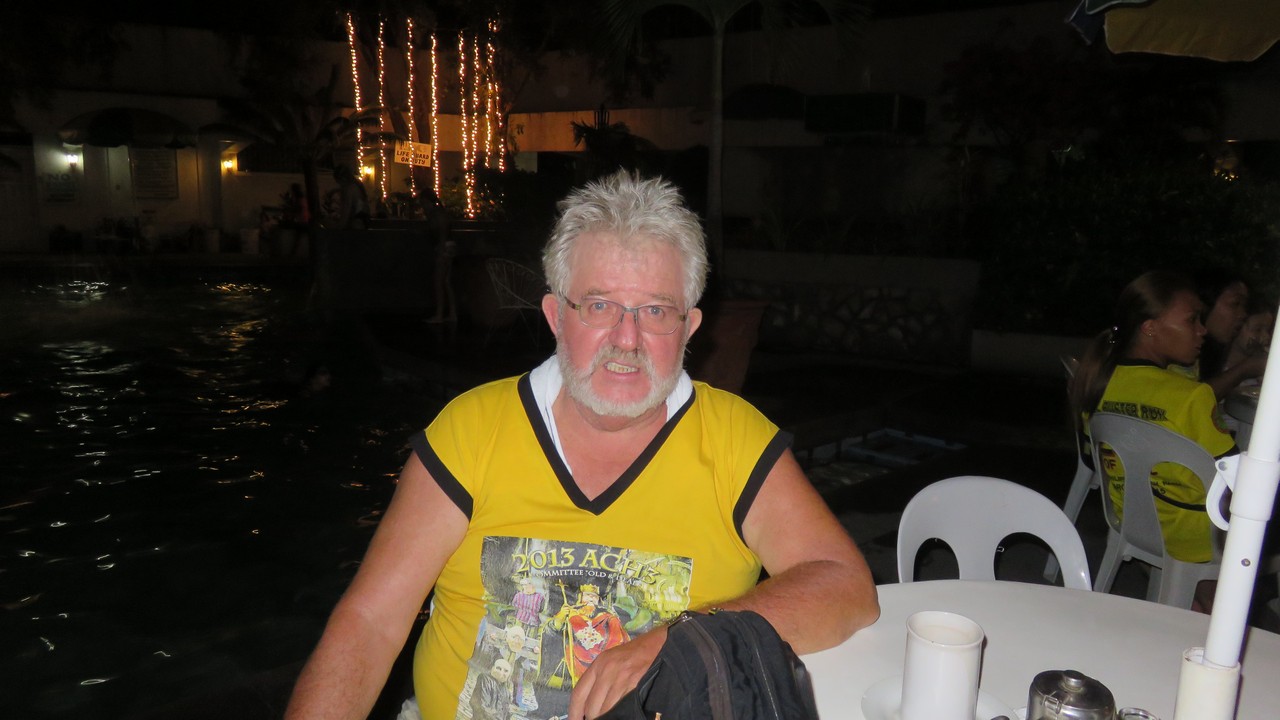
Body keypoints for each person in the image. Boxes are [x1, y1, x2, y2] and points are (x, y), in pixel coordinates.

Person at [284, 170, 879, 720]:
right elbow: (370, 623)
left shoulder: (734, 440)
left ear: (689, 328)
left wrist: (684, 640)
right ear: (554, 315)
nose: (627, 339)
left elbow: (844, 584)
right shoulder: (471, 432)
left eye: (655, 310)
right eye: (599, 306)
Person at [1069, 270, 1239, 606]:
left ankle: (1192, 604)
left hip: (1135, 522)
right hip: (1194, 538)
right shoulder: (1191, 396)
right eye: (1192, 320)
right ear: (1149, 327)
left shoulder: (1098, 382)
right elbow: (1238, 478)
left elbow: (1094, 458)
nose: (1202, 330)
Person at [1192, 269, 1266, 398]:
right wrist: (1245, 369)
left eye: (1244, 306)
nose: (1243, 314)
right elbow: (1191, 399)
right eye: (1235, 304)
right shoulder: (1180, 352)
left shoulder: (1214, 354)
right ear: (1205, 303)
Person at [331, 165, 370, 230]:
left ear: (342, 179)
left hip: (356, 225)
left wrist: (339, 228)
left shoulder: (349, 189)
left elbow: (346, 211)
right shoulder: (357, 185)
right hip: (363, 223)